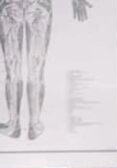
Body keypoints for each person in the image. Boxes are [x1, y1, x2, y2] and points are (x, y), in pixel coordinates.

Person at [0, 0, 92, 141]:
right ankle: (34, 125)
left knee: (12, 69)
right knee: (36, 70)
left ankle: (13, 125)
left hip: (10, 5)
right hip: (39, 6)